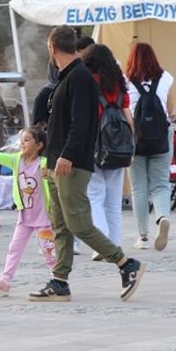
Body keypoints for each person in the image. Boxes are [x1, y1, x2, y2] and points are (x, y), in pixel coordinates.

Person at [33, 25, 144, 302]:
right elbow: (61, 124)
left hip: (71, 162)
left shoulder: (79, 77)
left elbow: (82, 123)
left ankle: (126, 264)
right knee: (60, 224)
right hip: (57, 160)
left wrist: (67, 155)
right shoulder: (67, 76)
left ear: (52, 47)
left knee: (78, 223)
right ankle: (60, 281)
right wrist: (49, 157)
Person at [0, 127, 56, 296]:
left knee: (49, 252)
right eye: (22, 140)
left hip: (44, 219)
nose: (22, 143)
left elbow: (57, 180)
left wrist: (49, 174)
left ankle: (58, 280)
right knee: (14, 248)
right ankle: (4, 281)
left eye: (27, 140)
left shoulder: (44, 164)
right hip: (25, 217)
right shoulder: (16, 160)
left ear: (39, 145)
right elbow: (1, 157)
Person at [125, 42, 174, 251]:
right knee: (161, 183)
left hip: (135, 137)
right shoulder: (167, 77)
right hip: (161, 137)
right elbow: (170, 111)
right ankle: (162, 216)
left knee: (138, 188)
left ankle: (143, 237)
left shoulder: (125, 81)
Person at [83, 44, 129, 248]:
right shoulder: (119, 83)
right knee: (113, 201)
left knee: (94, 195)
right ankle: (114, 243)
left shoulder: (88, 82)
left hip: (94, 143)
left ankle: (102, 244)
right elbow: (127, 113)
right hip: (119, 145)